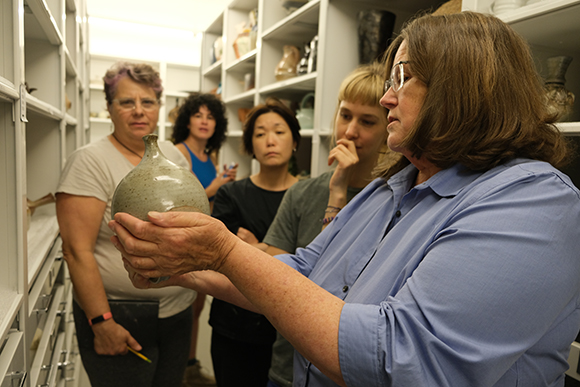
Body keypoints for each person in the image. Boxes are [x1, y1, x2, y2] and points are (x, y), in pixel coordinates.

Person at [110, 12, 580, 387]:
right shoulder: (392, 186)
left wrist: (225, 252)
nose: (388, 100)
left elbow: (401, 363)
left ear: (461, 88)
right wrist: (184, 264)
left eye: (402, 79)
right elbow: (306, 272)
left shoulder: (532, 202)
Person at [56, 62, 197, 387]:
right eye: (126, 102)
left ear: (160, 107)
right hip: (119, 314)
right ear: (108, 107)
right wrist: (102, 323)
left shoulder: (174, 156)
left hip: (177, 309)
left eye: (147, 102)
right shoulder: (90, 161)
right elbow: (77, 251)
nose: (138, 111)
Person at [262, 62, 397, 387]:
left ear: (388, 128)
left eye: (367, 122)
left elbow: (332, 287)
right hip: (287, 366)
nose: (350, 131)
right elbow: (271, 282)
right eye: (345, 115)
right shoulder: (303, 192)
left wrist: (338, 194)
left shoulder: (396, 197)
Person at [207, 97, 301, 387]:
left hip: (291, 331)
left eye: (279, 131)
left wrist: (254, 248)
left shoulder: (309, 194)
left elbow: (314, 260)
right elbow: (220, 263)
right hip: (235, 327)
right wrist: (278, 250)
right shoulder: (231, 195)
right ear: (249, 146)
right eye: (260, 134)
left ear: (295, 141)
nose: (270, 140)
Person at [172, 92, 237, 387]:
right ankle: (179, 366)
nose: (204, 121)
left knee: (197, 304)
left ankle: (189, 365)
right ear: (187, 120)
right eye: (198, 115)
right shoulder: (179, 152)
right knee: (184, 302)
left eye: (210, 117)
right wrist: (216, 186)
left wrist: (222, 185)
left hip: (204, 235)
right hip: (185, 235)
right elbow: (181, 196)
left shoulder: (210, 156)